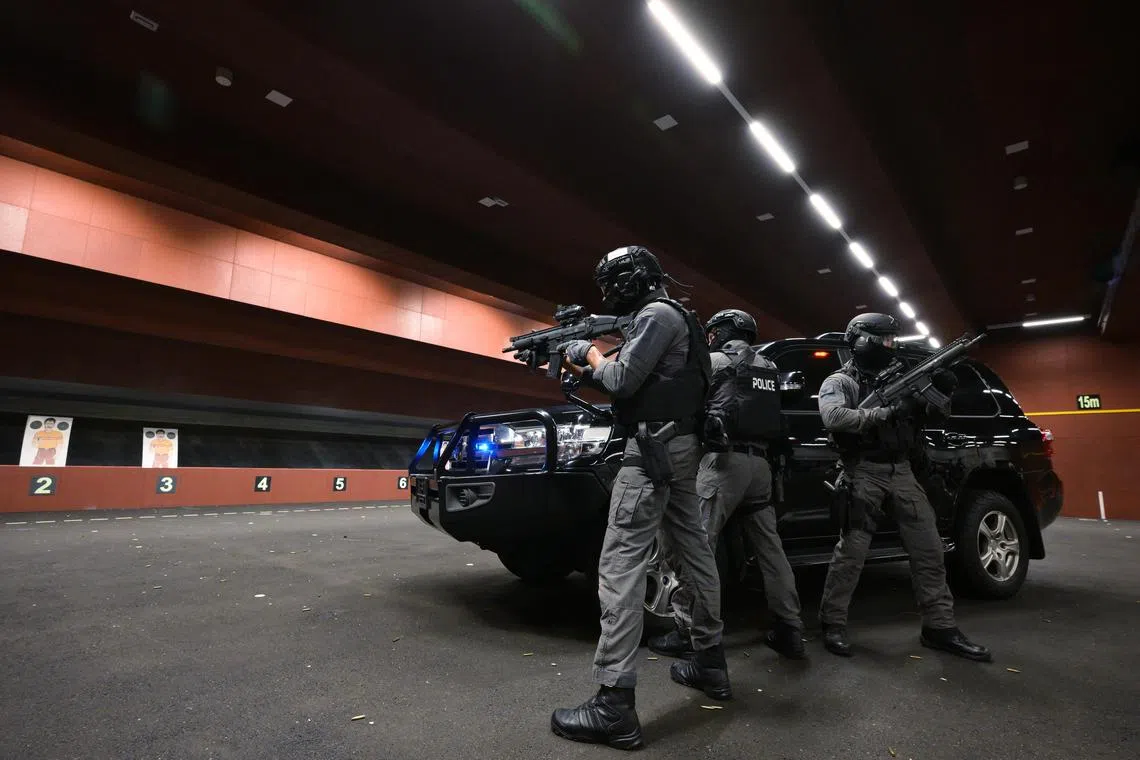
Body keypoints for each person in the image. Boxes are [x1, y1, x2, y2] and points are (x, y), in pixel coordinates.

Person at [549, 246, 728, 751]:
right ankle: (710, 663)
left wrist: (587, 354)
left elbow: (621, 379)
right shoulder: (686, 320)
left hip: (650, 453)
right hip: (682, 448)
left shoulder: (654, 316)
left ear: (624, 283)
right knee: (693, 553)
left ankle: (613, 705)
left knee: (620, 568)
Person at [817, 313, 991, 662]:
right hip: (862, 472)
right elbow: (834, 417)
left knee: (929, 550)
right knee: (851, 554)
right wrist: (883, 413)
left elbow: (936, 415)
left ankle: (939, 627)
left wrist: (941, 389)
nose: (889, 346)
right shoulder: (841, 381)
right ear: (861, 340)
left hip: (902, 470)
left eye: (892, 340)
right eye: (883, 340)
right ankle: (832, 623)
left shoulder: (902, 375)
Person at [648, 308, 805, 661]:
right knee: (771, 551)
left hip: (722, 465)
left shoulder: (716, 361)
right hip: (760, 467)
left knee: (696, 549)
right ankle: (790, 628)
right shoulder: (768, 367)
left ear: (719, 332)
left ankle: (690, 632)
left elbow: (683, 402)